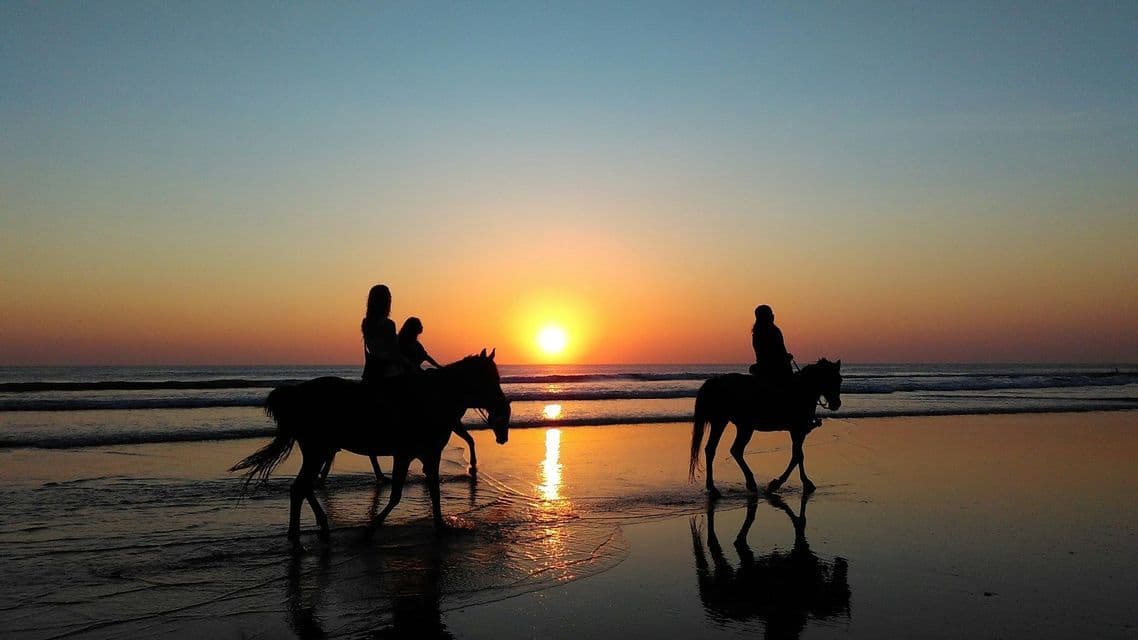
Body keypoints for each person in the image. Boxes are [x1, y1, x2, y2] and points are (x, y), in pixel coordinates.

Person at [360, 284, 405, 382]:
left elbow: (374, 348)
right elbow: (394, 352)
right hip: (388, 373)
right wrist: (409, 364)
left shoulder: (365, 323)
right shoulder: (389, 324)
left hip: (370, 373)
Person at [749, 304, 793, 388]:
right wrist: (787, 357)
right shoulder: (773, 331)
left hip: (762, 367)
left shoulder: (756, 332)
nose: (773, 316)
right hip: (776, 369)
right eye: (770, 314)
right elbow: (778, 352)